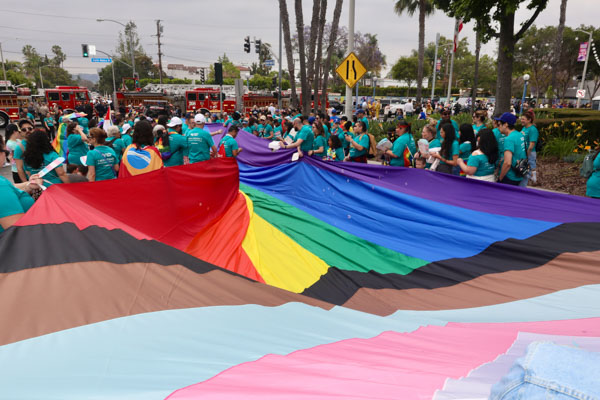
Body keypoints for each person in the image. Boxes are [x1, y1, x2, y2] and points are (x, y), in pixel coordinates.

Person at [497, 112, 527, 186]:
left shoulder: (509, 139)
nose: (498, 127)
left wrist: (500, 178)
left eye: (499, 124)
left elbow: (507, 163)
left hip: (510, 177)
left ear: (506, 124)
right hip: (520, 173)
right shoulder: (520, 134)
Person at [520, 110, 539, 186]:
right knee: (524, 171)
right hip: (524, 152)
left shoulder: (533, 129)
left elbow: (531, 145)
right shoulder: (524, 128)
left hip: (529, 153)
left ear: (529, 120)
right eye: (521, 119)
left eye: (523, 119)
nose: (521, 120)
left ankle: (531, 179)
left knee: (527, 172)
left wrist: (526, 155)